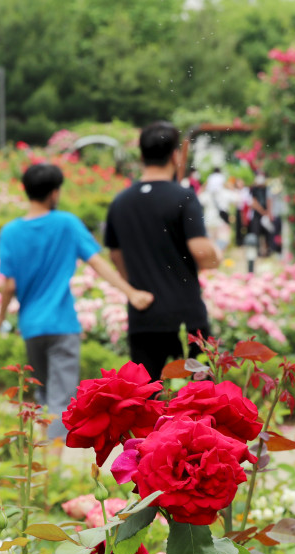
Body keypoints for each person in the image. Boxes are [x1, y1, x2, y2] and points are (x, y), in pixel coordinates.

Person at [0, 163, 154, 440]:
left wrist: (0, 316)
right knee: (61, 398)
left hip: (31, 326)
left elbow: (9, 284)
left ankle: (39, 460)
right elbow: (97, 263)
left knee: (43, 393)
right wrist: (131, 292)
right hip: (62, 325)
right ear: (54, 193)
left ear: (26, 190)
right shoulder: (66, 223)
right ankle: (52, 468)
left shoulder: (10, 232)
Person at [104, 121, 220, 380]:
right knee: (201, 398)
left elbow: (115, 254)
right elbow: (201, 251)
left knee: (147, 401)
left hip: (143, 318)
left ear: (142, 155)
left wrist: (135, 284)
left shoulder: (120, 202)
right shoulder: (183, 198)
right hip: (186, 317)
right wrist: (217, 256)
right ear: (175, 155)